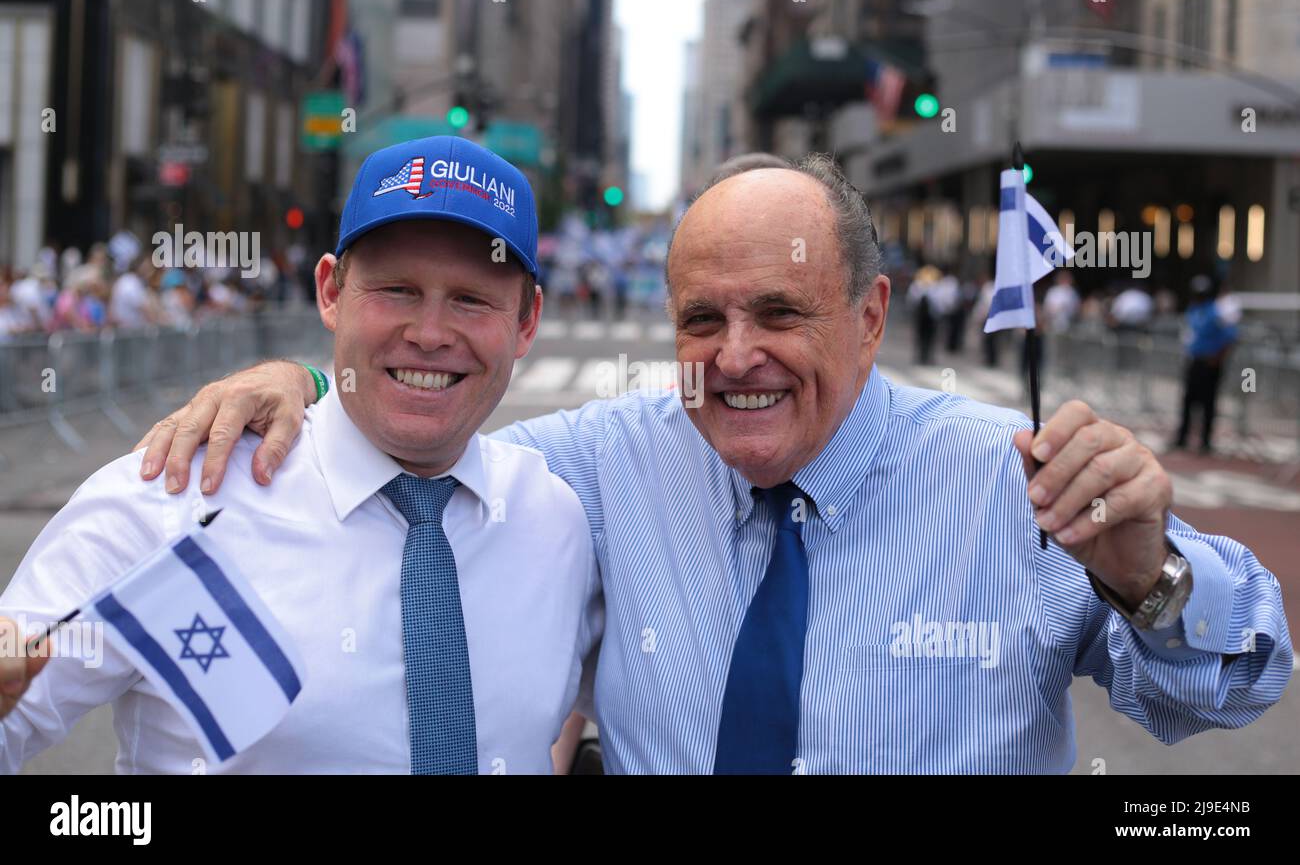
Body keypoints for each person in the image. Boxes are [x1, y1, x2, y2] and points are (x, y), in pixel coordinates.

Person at [133, 154, 1290, 774]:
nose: (737, 359)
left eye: (781, 313)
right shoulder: (599, 460)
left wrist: (1150, 576)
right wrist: (309, 385)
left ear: (873, 314)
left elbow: (1233, 692)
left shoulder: (1014, 483)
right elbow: (424, 427)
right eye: (701, 320)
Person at [0, 135, 601, 774]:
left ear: (527, 321)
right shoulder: (174, 493)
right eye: (396, 290)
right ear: (331, 293)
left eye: (471, 299)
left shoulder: (556, 519)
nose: (429, 334)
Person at [1174, 275, 1238, 455]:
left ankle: (1205, 441)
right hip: (1194, 361)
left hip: (1210, 364)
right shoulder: (1193, 311)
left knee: (1208, 403)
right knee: (1188, 401)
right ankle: (1182, 438)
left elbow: (1231, 337)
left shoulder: (1217, 313)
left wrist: (1217, 358)